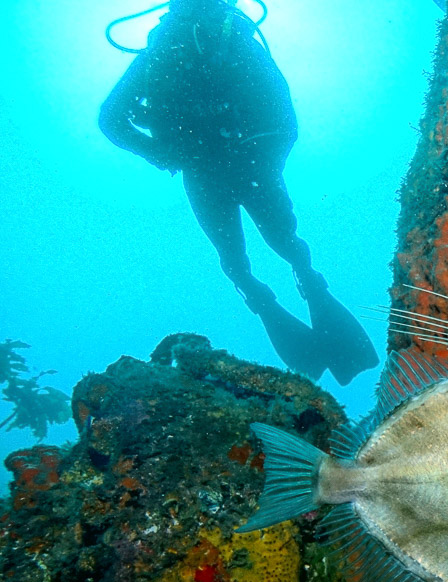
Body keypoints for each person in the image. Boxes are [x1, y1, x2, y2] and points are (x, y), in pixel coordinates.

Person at [99, 0, 377, 385]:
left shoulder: (172, 51)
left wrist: (161, 153)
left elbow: (110, 119)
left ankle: (296, 295)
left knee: (245, 257)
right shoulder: (210, 43)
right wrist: (264, 157)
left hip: (215, 170)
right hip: (244, 166)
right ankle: (306, 287)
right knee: (271, 248)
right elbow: (285, 112)